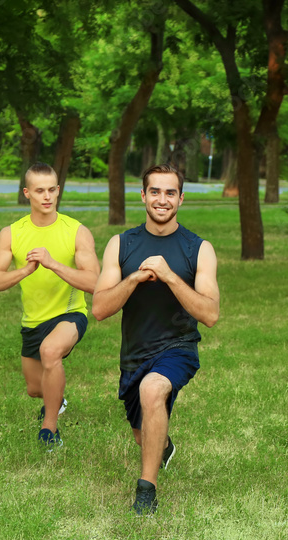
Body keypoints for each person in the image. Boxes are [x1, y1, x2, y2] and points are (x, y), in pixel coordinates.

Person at [92, 163, 220, 516]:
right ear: (143, 195)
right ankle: (162, 444)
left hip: (178, 349)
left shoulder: (199, 248)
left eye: (170, 193)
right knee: (144, 431)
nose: (162, 200)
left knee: (152, 390)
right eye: (155, 192)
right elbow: (100, 309)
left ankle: (146, 492)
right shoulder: (121, 244)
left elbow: (210, 314)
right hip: (134, 354)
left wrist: (170, 278)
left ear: (181, 198)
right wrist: (133, 279)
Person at [0, 162, 100, 450]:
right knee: (36, 389)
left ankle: (49, 430)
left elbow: (96, 283)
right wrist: (25, 270)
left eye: (52, 190)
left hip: (70, 314)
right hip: (33, 321)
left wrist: (53, 264)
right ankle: (55, 398)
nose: (47, 196)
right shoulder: (11, 233)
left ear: (58, 190)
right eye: (39, 191)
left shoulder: (76, 231)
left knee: (50, 352)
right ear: (27, 194)